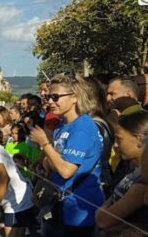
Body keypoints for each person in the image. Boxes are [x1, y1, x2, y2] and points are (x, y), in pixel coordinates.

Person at [28, 74, 104, 236]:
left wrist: (45, 144)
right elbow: (55, 160)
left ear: (74, 98)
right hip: (59, 203)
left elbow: (66, 170)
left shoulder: (83, 129)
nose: (49, 101)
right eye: (48, 97)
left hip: (79, 210)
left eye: (55, 97)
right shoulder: (63, 124)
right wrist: (45, 162)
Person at [95, 110, 148, 235]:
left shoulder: (143, 183)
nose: (115, 145)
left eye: (119, 139)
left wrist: (101, 211)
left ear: (140, 140)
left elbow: (103, 220)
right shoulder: (131, 170)